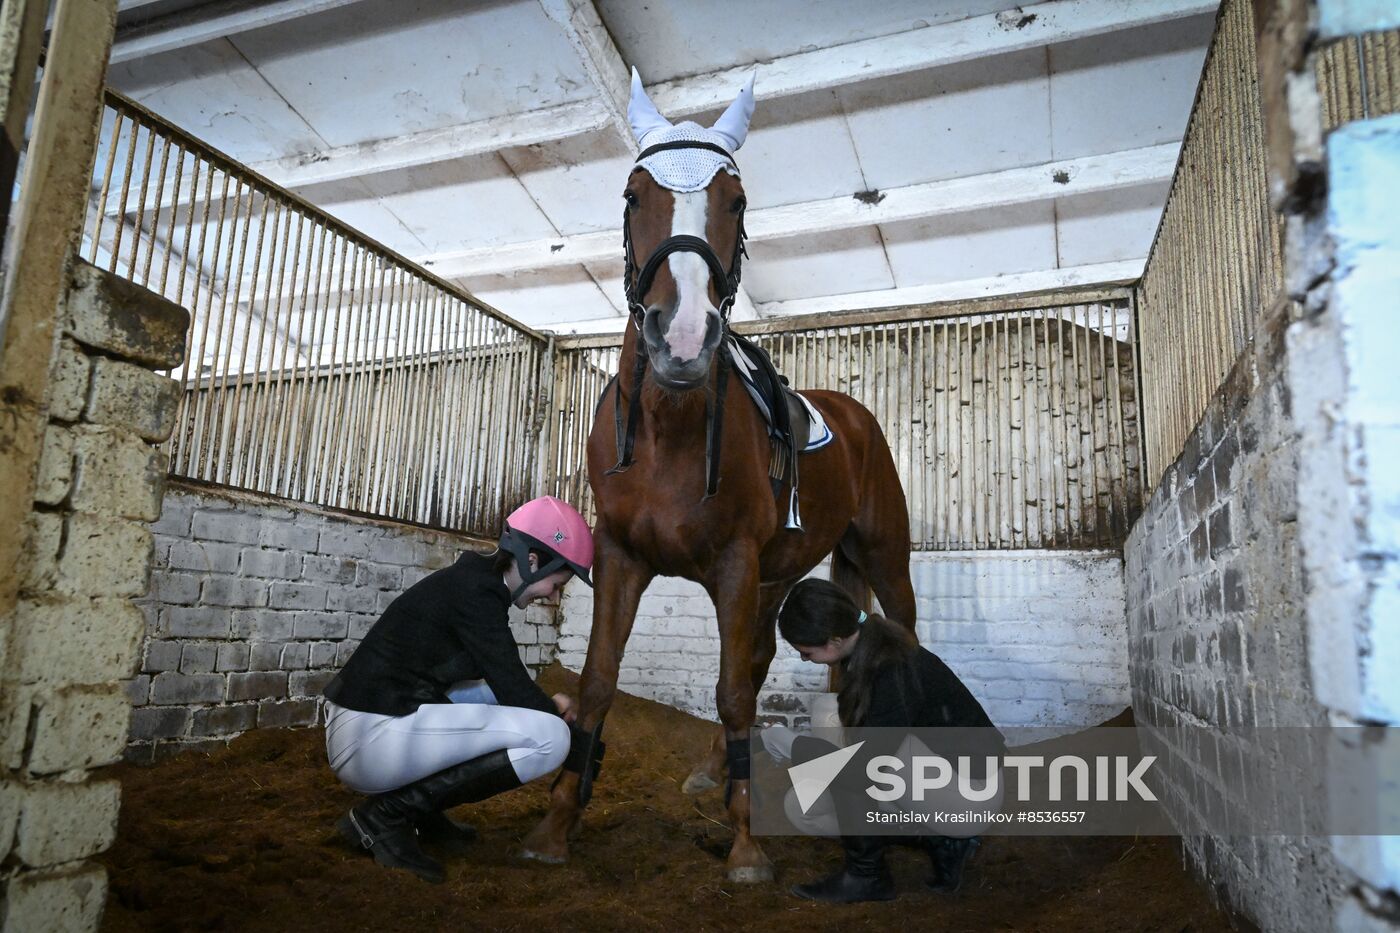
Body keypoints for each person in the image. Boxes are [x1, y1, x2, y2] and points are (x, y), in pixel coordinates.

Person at [321, 495, 594, 884]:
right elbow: (514, 687)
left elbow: (500, 686)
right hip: (368, 741)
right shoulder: (477, 594)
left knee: (495, 699)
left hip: (375, 724)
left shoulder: (476, 584)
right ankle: (385, 816)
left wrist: (546, 702)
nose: (551, 595)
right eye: (556, 584)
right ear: (534, 561)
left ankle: (420, 811)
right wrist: (563, 726)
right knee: (549, 737)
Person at [775, 578, 1007, 904]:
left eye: (805, 653)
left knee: (843, 748)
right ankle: (934, 841)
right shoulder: (867, 647)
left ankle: (867, 876)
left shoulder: (893, 667)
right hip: (933, 779)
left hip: (970, 794)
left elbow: (863, 769)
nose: (805, 659)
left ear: (834, 640)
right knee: (801, 809)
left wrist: (789, 744)